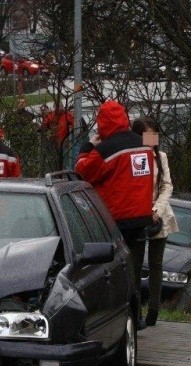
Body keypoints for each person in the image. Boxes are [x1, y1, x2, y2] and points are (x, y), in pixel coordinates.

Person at [74, 100, 155, 306]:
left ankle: (115, 308)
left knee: (111, 270)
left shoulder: (106, 149)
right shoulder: (144, 143)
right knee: (133, 269)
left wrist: (88, 146)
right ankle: (136, 314)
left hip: (116, 219)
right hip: (141, 218)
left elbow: (82, 172)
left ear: (102, 123)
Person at [130, 117, 178, 327]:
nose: (151, 140)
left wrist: (156, 209)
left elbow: (167, 185)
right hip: (137, 215)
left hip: (159, 213)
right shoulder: (131, 156)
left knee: (156, 263)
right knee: (135, 264)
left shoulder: (161, 157)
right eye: (146, 135)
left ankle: (154, 310)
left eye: (154, 135)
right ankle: (136, 310)